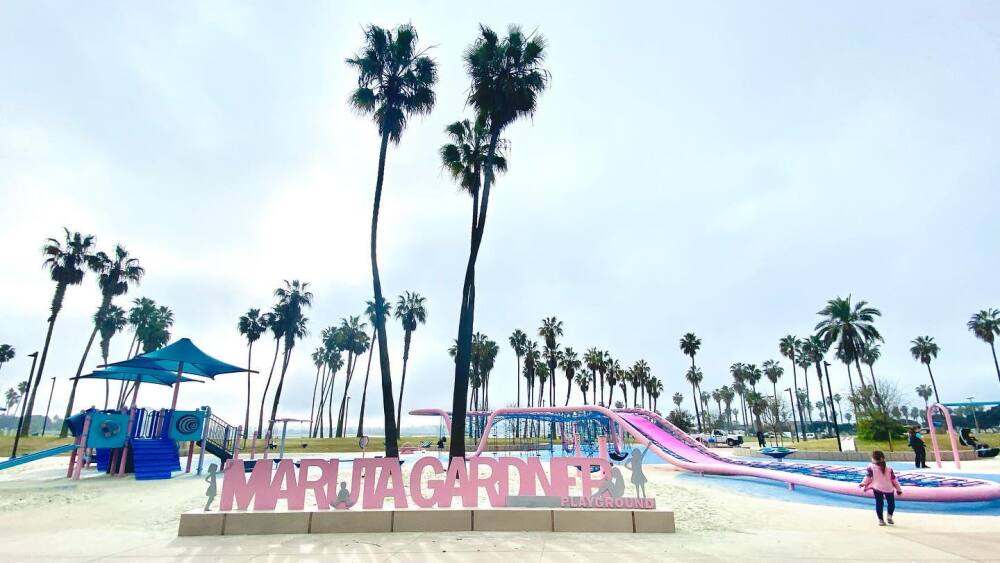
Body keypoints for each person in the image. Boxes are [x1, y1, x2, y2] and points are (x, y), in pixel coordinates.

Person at [859, 450, 902, 526]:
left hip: (877, 488)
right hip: (889, 488)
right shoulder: (889, 469)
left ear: (874, 459)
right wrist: (898, 489)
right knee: (891, 503)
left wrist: (863, 483)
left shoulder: (871, 467)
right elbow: (894, 480)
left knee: (879, 503)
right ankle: (889, 516)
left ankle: (881, 520)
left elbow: (868, 477)